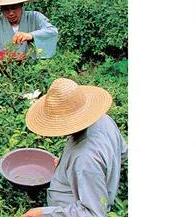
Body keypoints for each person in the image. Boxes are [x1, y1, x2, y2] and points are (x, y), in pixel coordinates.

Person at [19, 78, 127, 217]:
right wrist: (68, 166)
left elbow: (93, 213)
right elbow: (122, 154)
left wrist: (42, 213)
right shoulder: (104, 120)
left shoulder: (84, 159)